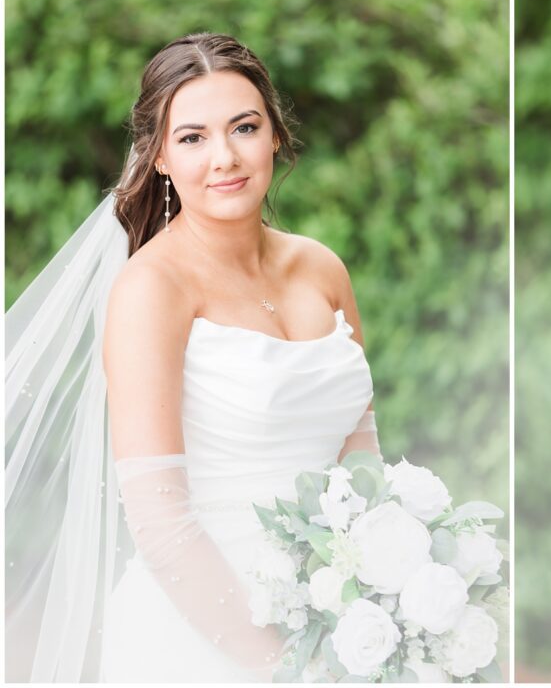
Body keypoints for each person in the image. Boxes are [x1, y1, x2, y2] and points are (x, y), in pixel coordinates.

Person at [6, 34, 378, 681]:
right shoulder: (152, 289)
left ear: (275, 137)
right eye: (193, 137)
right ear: (157, 159)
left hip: (341, 623)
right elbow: (159, 517)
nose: (225, 157)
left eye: (244, 127)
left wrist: (379, 603)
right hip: (201, 634)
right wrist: (286, 665)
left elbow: (363, 462)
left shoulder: (322, 268)